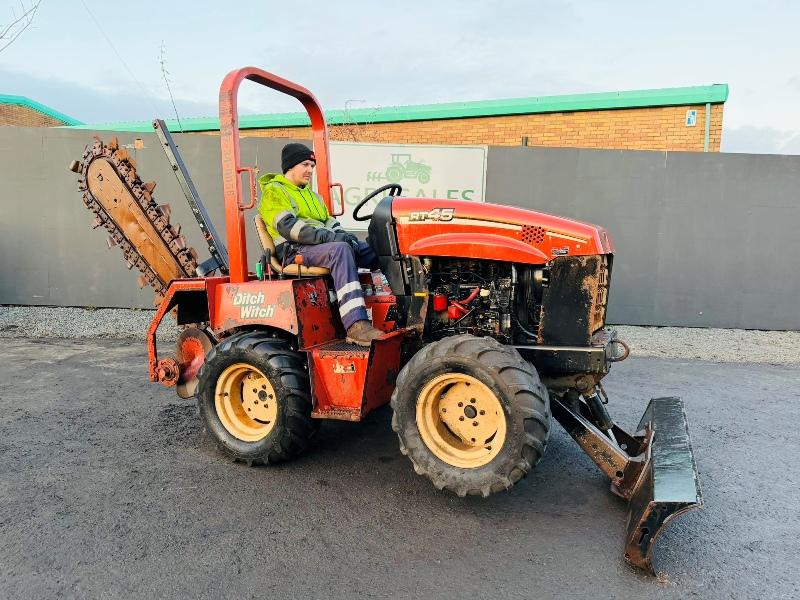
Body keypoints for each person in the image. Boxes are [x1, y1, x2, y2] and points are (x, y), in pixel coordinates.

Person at [258, 143, 385, 346]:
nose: (310, 170)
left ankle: (404, 306)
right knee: (340, 250)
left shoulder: (312, 195)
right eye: (305, 165)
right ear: (290, 166)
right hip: (293, 250)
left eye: (312, 166)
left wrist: (344, 235)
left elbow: (330, 222)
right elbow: (288, 227)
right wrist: (330, 238)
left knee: (376, 250)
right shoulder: (274, 191)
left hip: (317, 247)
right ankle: (356, 325)